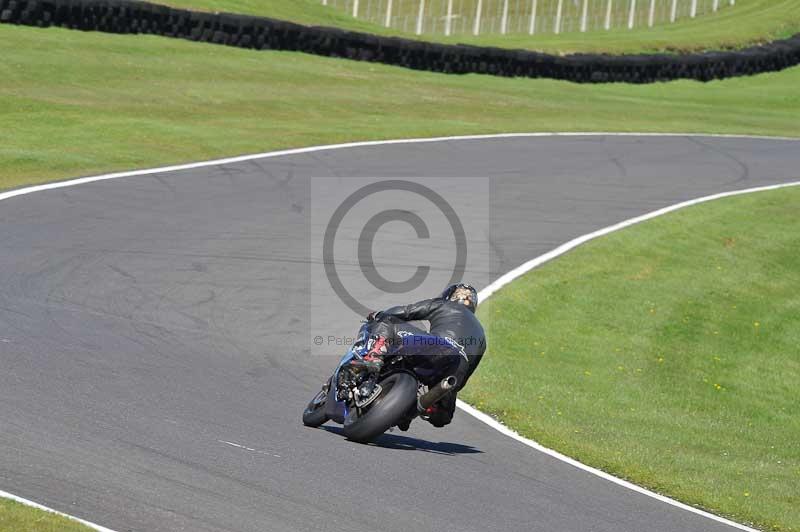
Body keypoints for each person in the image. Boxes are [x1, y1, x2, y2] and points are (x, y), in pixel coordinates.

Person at [362, 283, 486, 428]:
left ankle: (374, 355)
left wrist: (379, 315)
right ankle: (416, 409)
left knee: (387, 320)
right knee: (443, 417)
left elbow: (407, 311)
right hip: (455, 370)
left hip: (436, 345)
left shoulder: (444, 304)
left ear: (449, 296)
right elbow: (465, 376)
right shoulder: (481, 334)